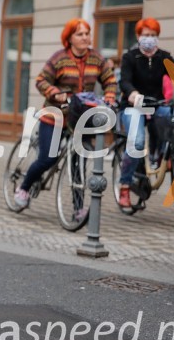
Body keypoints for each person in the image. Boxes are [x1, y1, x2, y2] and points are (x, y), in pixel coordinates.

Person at [13, 18, 117, 210]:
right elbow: (41, 80)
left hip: (81, 118)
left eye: (87, 33)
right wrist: (55, 93)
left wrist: (110, 97)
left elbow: (109, 80)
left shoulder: (97, 59)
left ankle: (78, 208)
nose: (85, 37)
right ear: (69, 38)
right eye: (80, 34)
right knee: (48, 159)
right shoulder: (59, 58)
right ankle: (24, 187)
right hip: (55, 116)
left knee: (79, 162)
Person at [116, 18, 174, 208]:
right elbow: (124, 81)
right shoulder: (130, 57)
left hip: (157, 104)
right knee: (138, 141)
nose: (149, 39)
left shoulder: (164, 57)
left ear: (157, 37)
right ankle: (125, 185)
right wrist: (132, 93)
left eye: (152, 35)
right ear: (138, 36)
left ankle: (163, 156)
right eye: (145, 35)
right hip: (133, 105)